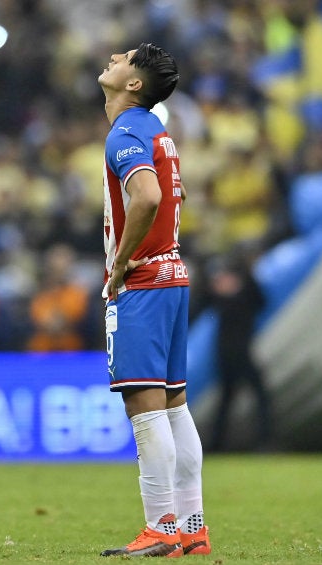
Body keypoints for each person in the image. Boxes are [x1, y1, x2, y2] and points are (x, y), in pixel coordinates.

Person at [97, 43, 209, 557]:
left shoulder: (126, 131)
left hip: (143, 282)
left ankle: (161, 526)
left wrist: (119, 263)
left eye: (126, 57)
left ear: (134, 83)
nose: (115, 56)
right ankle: (191, 524)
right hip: (172, 275)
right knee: (174, 406)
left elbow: (147, 197)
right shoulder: (156, 132)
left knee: (145, 409)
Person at [208, 252, 272, 451]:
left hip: (233, 352)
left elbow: (260, 300)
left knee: (229, 400)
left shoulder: (236, 296)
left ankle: (217, 444)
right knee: (254, 396)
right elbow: (261, 300)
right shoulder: (228, 298)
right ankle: (264, 441)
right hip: (235, 354)